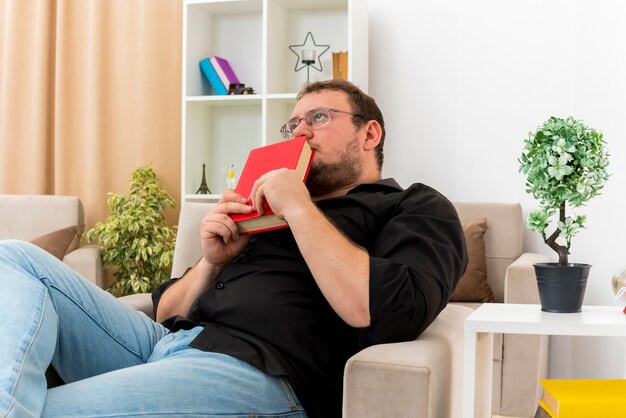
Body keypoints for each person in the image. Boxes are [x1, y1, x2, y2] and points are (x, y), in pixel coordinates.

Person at [0, 79, 467, 418]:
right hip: (167, 345)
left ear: (369, 135)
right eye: (293, 123)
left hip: (262, 374)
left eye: (319, 118)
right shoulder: (257, 211)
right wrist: (210, 261)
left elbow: (381, 311)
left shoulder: (414, 206)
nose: (300, 132)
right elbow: (164, 315)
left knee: (44, 410)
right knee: (13, 255)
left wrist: (300, 208)